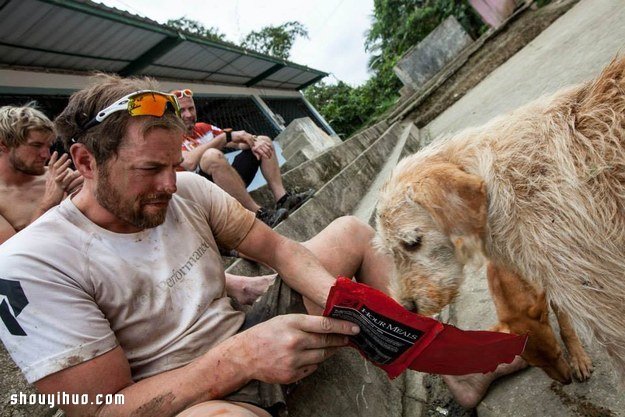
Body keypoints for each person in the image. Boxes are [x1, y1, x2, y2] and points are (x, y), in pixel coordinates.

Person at [0, 77, 523, 417]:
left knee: (348, 231)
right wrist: (240, 358)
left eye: (172, 164)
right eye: (148, 170)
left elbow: (282, 252)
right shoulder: (30, 263)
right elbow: (96, 411)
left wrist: (342, 297)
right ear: (86, 163)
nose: (170, 183)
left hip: (248, 332)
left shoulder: (187, 189)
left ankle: (461, 371)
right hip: (192, 397)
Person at [172, 88, 314, 228]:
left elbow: (236, 142)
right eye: (182, 110)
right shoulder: (169, 137)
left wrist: (253, 141)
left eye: (191, 108)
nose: (188, 114)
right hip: (202, 199)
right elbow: (189, 163)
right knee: (211, 156)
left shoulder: (202, 128)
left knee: (263, 141)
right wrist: (224, 137)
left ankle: (283, 199)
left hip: (226, 186)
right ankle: (258, 214)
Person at [0, 105, 82, 244]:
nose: (46, 155)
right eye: (36, 146)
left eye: (48, 146)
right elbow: (13, 254)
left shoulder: (61, 177)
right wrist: (49, 204)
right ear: (3, 145)